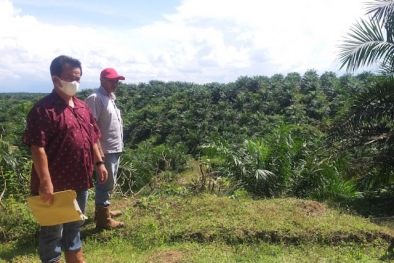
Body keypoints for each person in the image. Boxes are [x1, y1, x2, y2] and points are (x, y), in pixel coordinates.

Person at [23, 55, 108, 263]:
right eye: (70, 77)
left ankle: (75, 260)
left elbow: (92, 137)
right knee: (52, 232)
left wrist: (99, 162)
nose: (75, 82)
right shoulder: (43, 110)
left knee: (74, 226)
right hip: (55, 184)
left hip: (80, 180)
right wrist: (45, 182)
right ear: (55, 79)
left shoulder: (82, 107)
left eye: (78, 77)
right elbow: (37, 147)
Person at [85, 68, 125, 229]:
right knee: (104, 182)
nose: (115, 83)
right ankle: (103, 220)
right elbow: (90, 127)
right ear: (102, 80)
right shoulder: (95, 98)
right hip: (105, 149)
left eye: (117, 81)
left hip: (114, 147)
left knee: (110, 181)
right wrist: (98, 153)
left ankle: (104, 211)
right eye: (111, 80)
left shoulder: (109, 97)